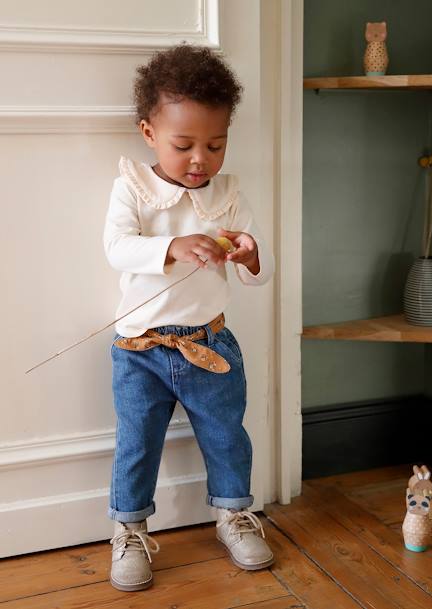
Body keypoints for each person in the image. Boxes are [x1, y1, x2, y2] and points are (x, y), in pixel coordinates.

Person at [103, 44, 275, 592]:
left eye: (215, 144)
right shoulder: (133, 187)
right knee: (137, 443)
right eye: (184, 145)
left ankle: (233, 514)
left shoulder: (228, 195)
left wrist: (250, 254)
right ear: (150, 133)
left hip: (210, 345)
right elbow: (117, 248)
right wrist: (173, 245)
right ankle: (129, 529)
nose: (200, 158)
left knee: (226, 435)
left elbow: (257, 272)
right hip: (141, 348)